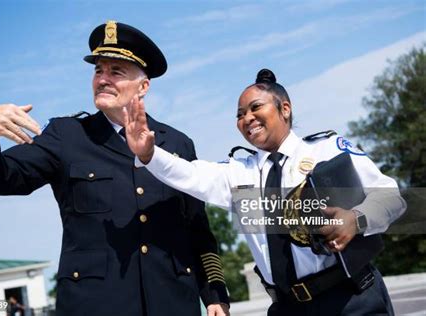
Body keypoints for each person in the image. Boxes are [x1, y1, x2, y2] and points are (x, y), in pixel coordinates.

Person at [0, 21, 230, 316]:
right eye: (98, 70)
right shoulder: (66, 135)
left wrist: (215, 294)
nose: (103, 79)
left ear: (143, 86)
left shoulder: (177, 144)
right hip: (94, 305)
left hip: (172, 303)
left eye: (116, 71)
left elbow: (198, 230)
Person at [124, 68, 406, 315]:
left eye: (255, 107)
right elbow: (188, 174)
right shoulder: (239, 173)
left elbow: (391, 197)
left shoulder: (326, 149)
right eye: (240, 114)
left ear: (285, 108)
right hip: (287, 306)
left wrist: (356, 219)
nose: (247, 118)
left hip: (350, 299)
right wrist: (149, 154)